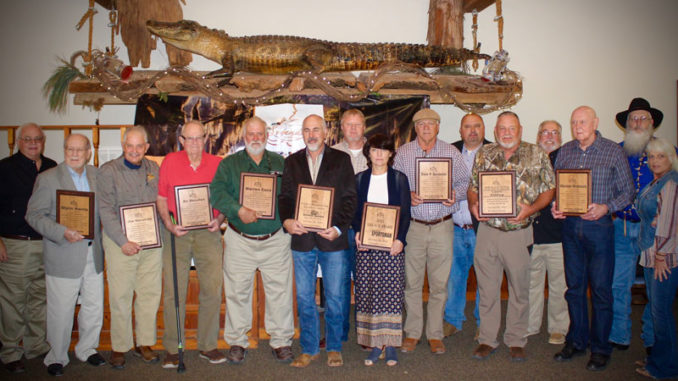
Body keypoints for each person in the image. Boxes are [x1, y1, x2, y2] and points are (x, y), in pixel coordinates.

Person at [468, 111, 556, 362]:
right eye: (502, 128)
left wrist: (531, 208)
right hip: (487, 232)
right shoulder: (484, 154)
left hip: (518, 233)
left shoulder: (536, 154)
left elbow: (549, 189)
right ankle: (487, 339)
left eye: (511, 128)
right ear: (495, 131)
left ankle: (516, 339)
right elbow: (473, 187)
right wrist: (474, 204)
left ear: (520, 129)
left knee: (519, 289)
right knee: (487, 289)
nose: (506, 132)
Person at [552, 106, 634, 371]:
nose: (578, 126)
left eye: (583, 122)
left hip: (599, 228)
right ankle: (577, 341)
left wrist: (606, 207)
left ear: (595, 122)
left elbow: (628, 192)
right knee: (574, 289)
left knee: (600, 290)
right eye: (574, 122)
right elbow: (558, 189)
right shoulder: (565, 151)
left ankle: (600, 348)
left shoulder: (613, 151)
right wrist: (556, 205)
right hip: (571, 229)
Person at [210, 116, 294, 364]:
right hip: (240, 240)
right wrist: (237, 210)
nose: (255, 138)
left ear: (266, 136)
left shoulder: (281, 163)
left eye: (260, 134)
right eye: (251, 134)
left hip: (275, 239)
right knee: (237, 292)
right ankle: (237, 341)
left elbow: (290, 195)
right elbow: (217, 193)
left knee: (279, 293)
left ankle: (280, 341)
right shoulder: (230, 164)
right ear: (243, 137)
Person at [278, 114, 356, 368]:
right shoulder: (291, 162)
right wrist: (287, 221)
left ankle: (333, 347)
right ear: (302, 134)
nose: (311, 135)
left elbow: (349, 199)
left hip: (332, 240)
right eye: (306, 130)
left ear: (326, 132)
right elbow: (286, 197)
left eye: (316, 130)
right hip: (302, 240)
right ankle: (309, 348)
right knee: (304, 298)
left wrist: (338, 228)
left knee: (334, 297)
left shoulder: (341, 160)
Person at [25, 134, 106, 377]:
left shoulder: (97, 175)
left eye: (80, 150)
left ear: (88, 152)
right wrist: (62, 232)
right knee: (61, 309)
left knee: (93, 306)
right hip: (63, 252)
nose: (74, 153)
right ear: (64, 150)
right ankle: (57, 356)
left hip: (94, 253)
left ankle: (87, 349)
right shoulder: (48, 179)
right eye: (70, 149)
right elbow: (34, 215)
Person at [393, 108, 469, 355]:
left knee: (439, 283)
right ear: (415, 128)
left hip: (442, 226)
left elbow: (465, 182)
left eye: (431, 123)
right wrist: (407, 196)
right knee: (412, 283)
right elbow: (393, 185)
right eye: (421, 124)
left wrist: (454, 196)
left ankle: (435, 334)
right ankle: (413, 332)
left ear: (438, 127)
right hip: (413, 227)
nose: (426, 127)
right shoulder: (403, 153)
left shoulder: (451, 152)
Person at [156, 120, 226, 368]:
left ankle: (208, 346)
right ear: (182, 140)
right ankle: (174, 348)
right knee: (175, 291)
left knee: (212, 289)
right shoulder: (169, 162)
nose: (195, 143)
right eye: (190, 138)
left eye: (199, 138)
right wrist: (168, 224)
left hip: (209, 233)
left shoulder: (218, 164)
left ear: (206, 139)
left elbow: (226, 199)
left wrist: (219, 219)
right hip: (178, 232)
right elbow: (161, 198)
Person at [609, 98, 674, 354]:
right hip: (622, 228)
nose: (637, 123)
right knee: (618, 284)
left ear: (652, 122)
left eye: (643, 118)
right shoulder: (615, 150)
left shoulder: (667, 151)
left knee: (654, 287)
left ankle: (651, 337)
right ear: (626, 124)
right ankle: (619, 335)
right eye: (633, 119)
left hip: (655, 231)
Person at [98, 126, 162, 369]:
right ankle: (119, 346)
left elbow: (160, 202)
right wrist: (122, 241)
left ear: (147, 147)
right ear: (123, 146)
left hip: (151, 243)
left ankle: (144, 343)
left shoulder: (154, 169)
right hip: (120, 243)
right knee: (120, 295)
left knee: (149, 294)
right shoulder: (108, 171)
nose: (134, 150)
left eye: (139, 146)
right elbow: (105, 209)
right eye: (130, 145)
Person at [0, 123, 56, 374]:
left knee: (39, 299)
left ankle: (35, 346)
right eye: (27, 139)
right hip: (16, 244)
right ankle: (10, 351)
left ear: (43, 141)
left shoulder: (51, 166)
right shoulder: (5, 168)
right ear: (18, 141)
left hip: (47, 243)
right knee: (12, 301)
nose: (33, 143)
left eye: (37, 139)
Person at [352, 134, 411, 366]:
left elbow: (405, 213)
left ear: (390, 154)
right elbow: (356, 213)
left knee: (391, 296)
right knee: (368, 295)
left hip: (391, 248)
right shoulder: (359, 180)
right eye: (375, 150)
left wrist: (401, 240)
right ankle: (375, 345)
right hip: (366, 248)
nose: (378, 154)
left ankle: (392, 344)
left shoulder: (399, 179)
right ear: (369, 153)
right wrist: (358, 232)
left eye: (383, 150)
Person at [633, 138, 678, 379]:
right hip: (652, 256)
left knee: (661, 313)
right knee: (656, 311)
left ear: (671, 158)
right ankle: (658, 361)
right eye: (651, 157)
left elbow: (669, 224)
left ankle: (668, 368)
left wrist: (661, 256)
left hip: (664, 258)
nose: (655, 161)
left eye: (661, 156)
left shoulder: (671, 183)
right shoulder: (656, 182)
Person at [444, 113, 491, 338]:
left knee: (485, 278)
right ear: (460, 131)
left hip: (483, 229)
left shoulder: (496, 152)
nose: (472, 131)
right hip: (454, 227)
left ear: (483, 129)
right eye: (467, 127)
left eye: (477, 126)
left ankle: (483, 323)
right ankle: (453, 320)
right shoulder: (448, 151)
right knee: (454, 277)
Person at [526, 120, 569, 345]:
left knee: (559, 285)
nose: (549, 136)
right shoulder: (528, 160)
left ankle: (558, 328)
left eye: (554, 133)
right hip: (531, 235)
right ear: (538, 136)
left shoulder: (568, 160)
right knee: (531, 284)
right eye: (545, 132)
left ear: (561, 137)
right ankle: (531, 325)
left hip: (558, 236)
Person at [331, 108, 368, 343]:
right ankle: (340, 333)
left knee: (366, 282)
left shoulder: (377, 153)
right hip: (340, 230)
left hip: (368, 230)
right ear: (341, 127)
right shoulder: (330, 154)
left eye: (357, 124)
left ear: (364, 127)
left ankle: (366, 333)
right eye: (348, 124)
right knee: (339, 283)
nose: (353, 129)